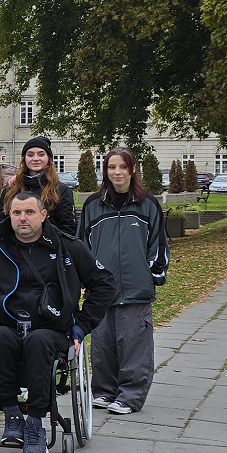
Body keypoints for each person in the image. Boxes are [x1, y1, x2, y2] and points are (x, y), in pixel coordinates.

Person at [0, 191, 114, 453]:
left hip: (51, 329)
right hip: (5, 324)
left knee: (39, 340)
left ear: (43, 215)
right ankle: (12, 417)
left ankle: (35, 424)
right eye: (16, 213)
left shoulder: (68, 246)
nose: (23, 218)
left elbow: (104, 284)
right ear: (9, 216)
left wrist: (82, 325)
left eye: (30, 212)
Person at [79, 148, 168, 415]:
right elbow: (82, 245)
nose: (117, 172)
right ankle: (104, 391)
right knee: (103, 343)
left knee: (134, 344)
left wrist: (154, 273)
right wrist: (84, 278)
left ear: (132, 170)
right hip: (102, 289)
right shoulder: (93, 205)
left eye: (122, 167)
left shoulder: (148, 204)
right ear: (105, 171)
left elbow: (158, 244)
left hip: (135, 287)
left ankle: (129, 396)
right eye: (111, 167)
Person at [4, 137, 77, 236]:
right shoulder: (11, 190)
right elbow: (2, 223)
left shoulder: (60, 190)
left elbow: (68, 227)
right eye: (30, 155)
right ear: (24, 159)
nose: (35, 159)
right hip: (15, 248)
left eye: (41, 154)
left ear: (48, 158)